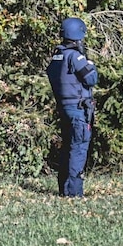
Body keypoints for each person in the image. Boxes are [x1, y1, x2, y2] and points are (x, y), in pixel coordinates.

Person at [46, 17, 99, 197]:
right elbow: (91, 79)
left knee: (67, 147)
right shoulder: (75, 56)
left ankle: (64, 190)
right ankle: (74, 193)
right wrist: (90, 64)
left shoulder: (56, 57)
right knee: (78, 148)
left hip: (64, 109)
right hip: (78, 111)